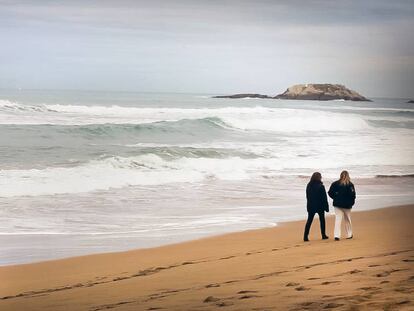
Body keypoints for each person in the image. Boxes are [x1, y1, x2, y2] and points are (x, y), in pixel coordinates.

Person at [328, 170, 356, 241]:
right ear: (348, 176)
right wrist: (352, 203)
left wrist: (335, 197)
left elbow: (330, 192)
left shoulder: (335, 183)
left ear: (340, 176)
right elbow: (353, 195)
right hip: (347, 205)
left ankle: (336, 236)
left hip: (337, 204)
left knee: (338, 220)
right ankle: (349, 235)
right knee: (347, 220)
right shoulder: (350, 185)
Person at [304, 172, 329, 242]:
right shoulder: (321, 186)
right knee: (322, 220)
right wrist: (326, 207)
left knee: (309, 221)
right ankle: (323, 235)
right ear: (319, 177)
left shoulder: (309, 185)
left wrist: (309, 204)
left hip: (311, 205)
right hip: (320, 206)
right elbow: (324, 198)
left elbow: (307, 196)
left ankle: (305, 236)